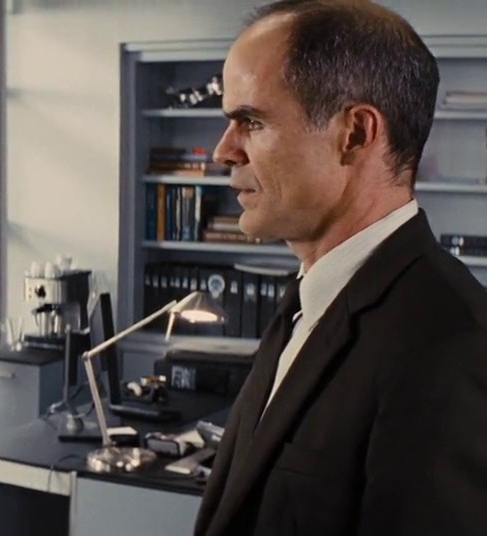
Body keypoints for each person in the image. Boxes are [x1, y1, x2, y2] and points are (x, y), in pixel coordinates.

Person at [195, 2, 487, 535]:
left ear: (354, 133)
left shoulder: (452, 344)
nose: (223, 152)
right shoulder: (309, 298)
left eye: (251, 122)